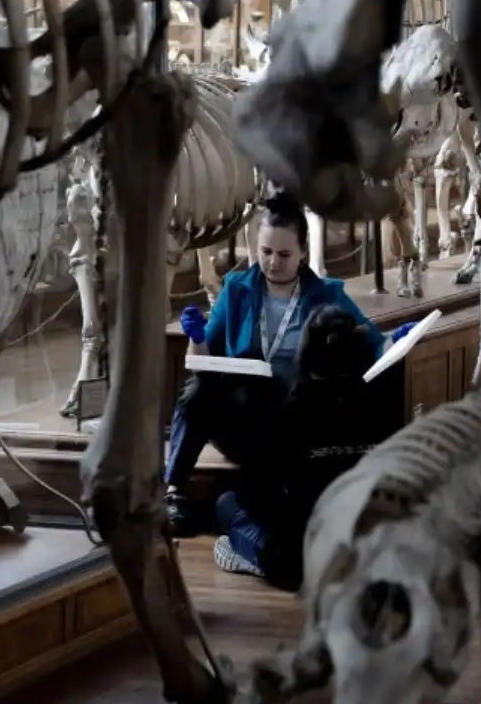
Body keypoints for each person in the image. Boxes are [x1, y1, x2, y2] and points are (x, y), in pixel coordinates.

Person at [165, 191, 414, 536]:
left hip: (296, 423)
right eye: (266, 252)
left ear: (302, 253)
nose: (272, 263)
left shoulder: (326, 294)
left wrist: (394, 342)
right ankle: (174, 491)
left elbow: (371, 343)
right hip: (243, 417)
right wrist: (198, 337)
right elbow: (199, 362)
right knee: (198, 390)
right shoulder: (237, 289)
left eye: (284, 254)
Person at [210, 303, 405, 585]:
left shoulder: (290, 413)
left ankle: (250, 555)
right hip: (373, 549)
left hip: (302, 560)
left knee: (226, 504)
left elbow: (256, 493)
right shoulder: (382, 404)